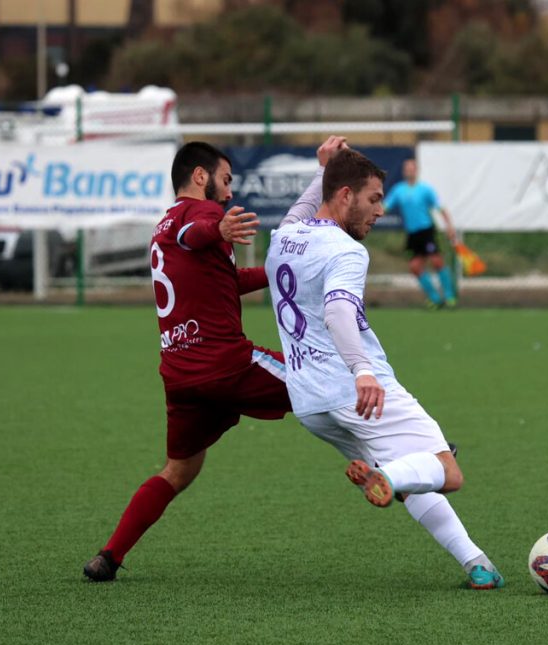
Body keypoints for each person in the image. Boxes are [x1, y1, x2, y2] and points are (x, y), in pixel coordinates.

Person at [83, 137, 349, 581]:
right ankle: (402, 460)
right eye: (225, 181)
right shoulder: (199, 215)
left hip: (180, 374)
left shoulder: (164, 224)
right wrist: (219, 229)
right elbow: (199, 231)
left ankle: (109, 556)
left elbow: (226, 278)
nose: (229, 193)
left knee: (179, 471)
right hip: (225, 363)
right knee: (322, 377)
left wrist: (285, 268)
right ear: (200, 176)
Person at [265, 148, 504, 589]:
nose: (380, 210)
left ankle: (477, 564)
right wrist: (363, 371)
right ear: (343, 196)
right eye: (373, 199)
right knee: (445, 471)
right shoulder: (347, 251)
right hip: (358, 391)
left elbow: (303, 208)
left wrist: (322, 168)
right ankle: (387, 478)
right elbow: (338, 311)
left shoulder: (283, 237)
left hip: (310, 403)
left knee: (414, 473)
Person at [383, 158, 458, 308]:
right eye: (407, 169)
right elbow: (385, 207)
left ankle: (450, 297)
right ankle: (436, 299)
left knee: (437, 261)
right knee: (415, 267)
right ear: (404, 171)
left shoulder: (426, 189)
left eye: (412, 168)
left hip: (426, 231)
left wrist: (449, 227)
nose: (409, 171)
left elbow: (441, 208)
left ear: (417, 171)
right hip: (412, 234)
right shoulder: (398, 190)